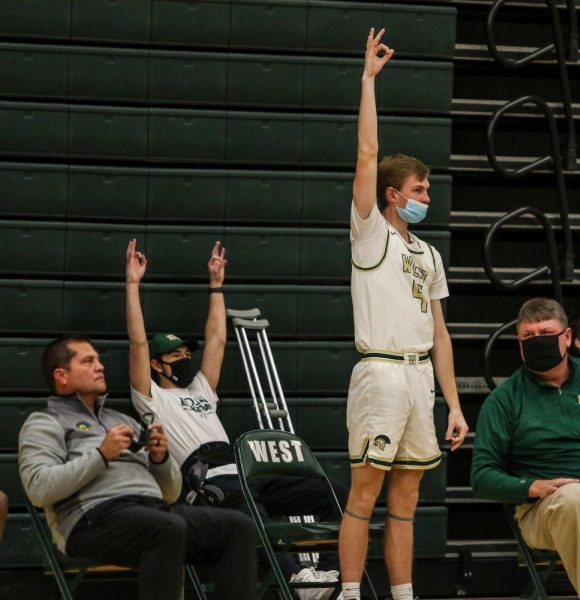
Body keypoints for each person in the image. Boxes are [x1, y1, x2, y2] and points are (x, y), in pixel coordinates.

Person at [124, 239, 347, 598]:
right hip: (206, 484)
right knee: (246, 505)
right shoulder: (152, 398)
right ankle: (299, 584)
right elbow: (137, 343)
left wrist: (216, 285)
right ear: (156, 364)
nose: (184, 359)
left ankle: (332, 575)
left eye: (185, 353)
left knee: (334, 494)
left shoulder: (200, 390)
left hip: (243, 473)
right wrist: (132, 285)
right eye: (176, 355)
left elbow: (216, 340)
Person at [339, 28, 469, 600]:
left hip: (421, 377)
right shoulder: (371, 235)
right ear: (393, 195)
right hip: (381, 373)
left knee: (408, 502)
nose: (426, 196)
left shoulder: (429, 253)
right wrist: (368, 81)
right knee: (364, 494)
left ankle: (403, 594)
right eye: (419, 188)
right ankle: (347, 593)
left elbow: (440, 334)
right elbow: (368, 154)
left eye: (429, 188)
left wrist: (455, 403)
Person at [18, 336, 257, 600]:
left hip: (153, 510)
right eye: (88, 361)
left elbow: (169, 492)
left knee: (237, 526)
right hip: (90, 521)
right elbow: (38, 489)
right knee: (166, 528)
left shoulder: (121, 420)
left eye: (98, 359)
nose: (100, 366)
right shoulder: (45, 422)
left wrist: (160, 459)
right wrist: (101, 455)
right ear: (61, 376)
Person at [472, 297, 580, 600]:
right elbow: (481, 477)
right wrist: (533, 487)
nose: (537, 342)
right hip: (551, 512)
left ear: (567, 337)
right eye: (529, 336)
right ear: (519, 343)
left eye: (546, 333)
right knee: (573, 498)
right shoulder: (505, 399)